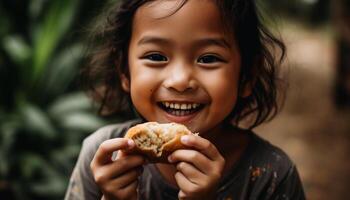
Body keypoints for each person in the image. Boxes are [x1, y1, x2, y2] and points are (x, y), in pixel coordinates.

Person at [65, 0, 305, 199]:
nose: (180, 81)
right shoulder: (102, 159)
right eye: (156, 56)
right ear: (124, 72)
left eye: (208, 58)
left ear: (246, 77)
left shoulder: (272, 176)